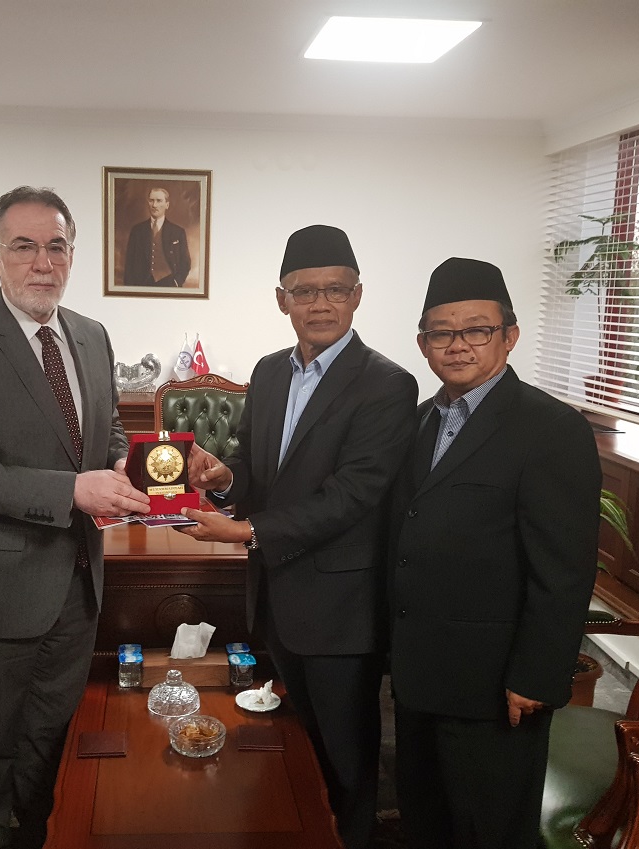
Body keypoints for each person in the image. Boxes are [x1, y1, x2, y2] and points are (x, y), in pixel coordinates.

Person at [0, 185, 149, 849]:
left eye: (56, 246)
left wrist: (124, 472)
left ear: (71, 255)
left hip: (78, 589)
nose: (42, 261)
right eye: (24, 247)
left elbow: (106, 439)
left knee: (51, 740)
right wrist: (75, 491)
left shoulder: (92, 336)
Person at [179, 225, 418, 849]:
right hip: (276, 597)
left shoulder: (387, 385)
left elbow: (352, 497)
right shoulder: (268, 373)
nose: (320, 304)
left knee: (347, 758)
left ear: (357, 296)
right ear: (281, 298)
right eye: (304, 291)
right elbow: (264, 476)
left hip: (341, 611)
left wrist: (246, 529)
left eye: (334, 290)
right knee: (290, 745)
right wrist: (227, 477)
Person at [390, 257, 601, 849]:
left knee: (490, 830)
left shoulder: (551, 429)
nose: (458, 346)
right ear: (423, 343)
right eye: (442, 332)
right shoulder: (418, 423)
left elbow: (564, 570)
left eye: (477, 329)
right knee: (424, 821)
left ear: (508, 335)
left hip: (495, 686)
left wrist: (536, 675)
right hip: (420, 673)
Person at [122, 186, 191, 287]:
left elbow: (185, 262)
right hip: (141, 285)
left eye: (159, 201)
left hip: (169, 283)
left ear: (167, 205)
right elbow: (129, 264)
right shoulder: (137, 231)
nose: (154, 205)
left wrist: (177, 282)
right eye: (151, 201)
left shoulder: (178, 232)